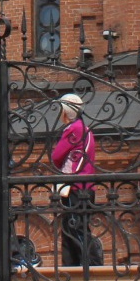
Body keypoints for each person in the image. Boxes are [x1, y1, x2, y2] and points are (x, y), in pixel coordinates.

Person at [51, 93, 99, 267]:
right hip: (86, 186)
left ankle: (91, 266)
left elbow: (56, 156)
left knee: (75, 229)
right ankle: (73, 266)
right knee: (72, 228)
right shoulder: (85, 129)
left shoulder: (73, 129)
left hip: (75, 187)